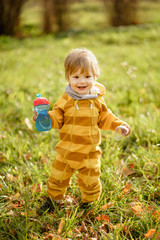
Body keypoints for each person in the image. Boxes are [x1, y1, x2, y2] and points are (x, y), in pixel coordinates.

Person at [33, 48, 131, 216]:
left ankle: (89, 203)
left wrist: (118, 125)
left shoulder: (97, 101)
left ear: (95, 77)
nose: (81, 81)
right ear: (68, 78)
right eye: (76, 77)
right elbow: (57, 116)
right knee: (58, 176)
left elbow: (106, 117)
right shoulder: (66, 99)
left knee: (90, 180)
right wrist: (45, 118)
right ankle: (54, 200)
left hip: (89, 152)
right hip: (66, 151)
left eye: (87, 76)